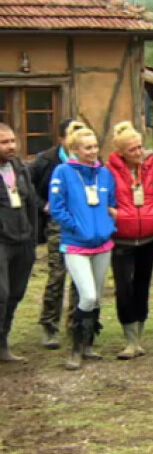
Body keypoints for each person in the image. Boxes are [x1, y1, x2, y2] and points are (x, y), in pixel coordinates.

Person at [49, 127, 116, 370]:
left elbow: (111, 202)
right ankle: (75, 348)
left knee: (96, 297)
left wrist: (108, 224)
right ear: (75, 150)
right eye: (87, 147)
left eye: (95, 146)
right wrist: (77, 226)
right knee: (86, 295)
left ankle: (88, 344)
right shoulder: (63, 172)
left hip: (102, 244)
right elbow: (56, 208)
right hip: (76, 244)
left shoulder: (104, 174)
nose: (93, 151)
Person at [107, 122, 153, 359]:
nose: (139, 153)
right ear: (121, 152)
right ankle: (129, 338)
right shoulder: (108, 172)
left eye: (140, 147)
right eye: (132, 150)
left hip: (149, 236)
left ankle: (139, 336)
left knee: (142, 285)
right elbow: (103, 197)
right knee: (124, 288)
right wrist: (116, 214)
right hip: (122, 239)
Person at [28, 118, 81, 349]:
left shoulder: (89, 159)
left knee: (80, 277)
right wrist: (43, 205)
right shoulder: (46, 161)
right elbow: (26, 187)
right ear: (62, 138)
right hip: (57, 224)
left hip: (81, 224)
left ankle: (76, 324)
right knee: (57, 274)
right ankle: (49, 326)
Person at [0, 124, 37, 362]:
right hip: (1, 243)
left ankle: (3, 343)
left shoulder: (19, 168)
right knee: (0, 293)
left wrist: (33, 239)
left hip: (23, 241)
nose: (11, 146)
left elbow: (30, 203)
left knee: (15, 292)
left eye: (12, 141)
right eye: (4, 142)